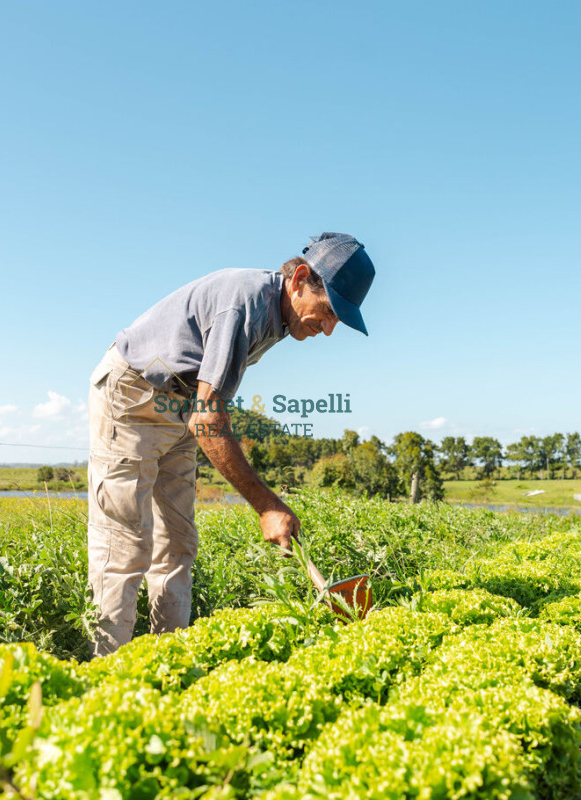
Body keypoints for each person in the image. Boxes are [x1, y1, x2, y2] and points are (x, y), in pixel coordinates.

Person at [85, 232, 375, 656]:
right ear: (298, 279)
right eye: (329, 311)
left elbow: (203, 409)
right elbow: (209, 418)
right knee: (126, 546)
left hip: (181, 405)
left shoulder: (280, 318)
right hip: (133, 396)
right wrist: (267, 505)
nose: (328, 329)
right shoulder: (244, 303)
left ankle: (167, 663)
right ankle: (104, 676)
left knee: (178, 544)